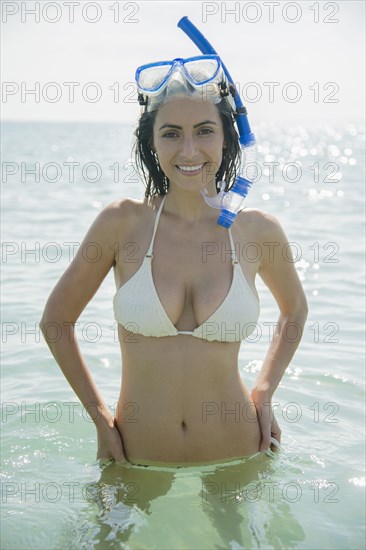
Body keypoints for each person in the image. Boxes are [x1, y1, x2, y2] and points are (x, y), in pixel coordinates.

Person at [40, 55, 308, 468]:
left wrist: (265, 392)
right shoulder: (122, 224)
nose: (189, 149)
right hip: (135, 455)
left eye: (204, 131)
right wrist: (101, 422)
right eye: (171, 134)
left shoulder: (257, 232)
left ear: (227, 139)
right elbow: (56, 321)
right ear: (152, 142)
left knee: (246, 538)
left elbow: (295, 312)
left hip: (237, 449)